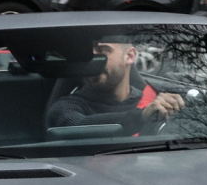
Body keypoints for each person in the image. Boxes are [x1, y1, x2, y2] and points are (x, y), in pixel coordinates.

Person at [46, 40, 184, 135]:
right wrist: (142, 116)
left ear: (129, 56)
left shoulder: (158, 100)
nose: (93, 61)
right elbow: (79, 125)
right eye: (88, 55)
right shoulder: (65, 107)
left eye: (103, 52)